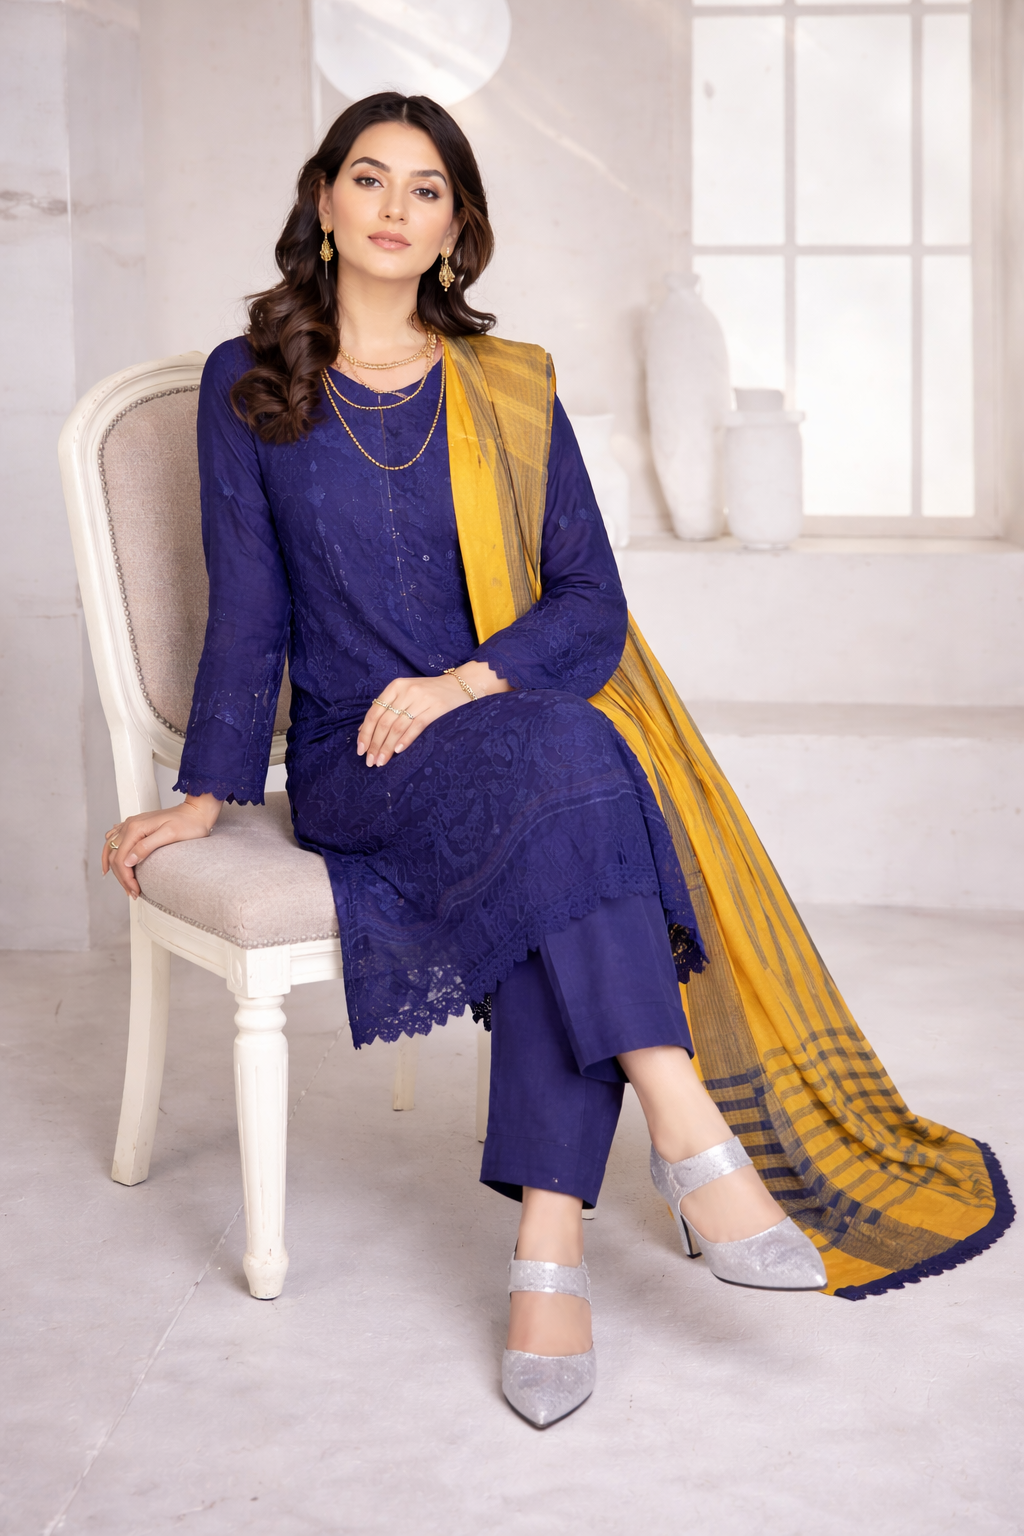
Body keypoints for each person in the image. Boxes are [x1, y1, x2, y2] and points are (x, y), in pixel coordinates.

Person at [102, 93, 1011, 1430]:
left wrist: (462, 682)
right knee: (575, 769)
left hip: (496, 725)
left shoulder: (508, 386)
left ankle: (549, 1247)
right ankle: (683, 1126)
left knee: (557, 793)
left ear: (455, 228)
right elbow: (246, 610)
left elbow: (590, 602)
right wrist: (204, 795)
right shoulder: (253, 384)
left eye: (427, 189)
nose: (396, 207)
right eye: (371, 179)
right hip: (363, 760)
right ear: (325, 201)